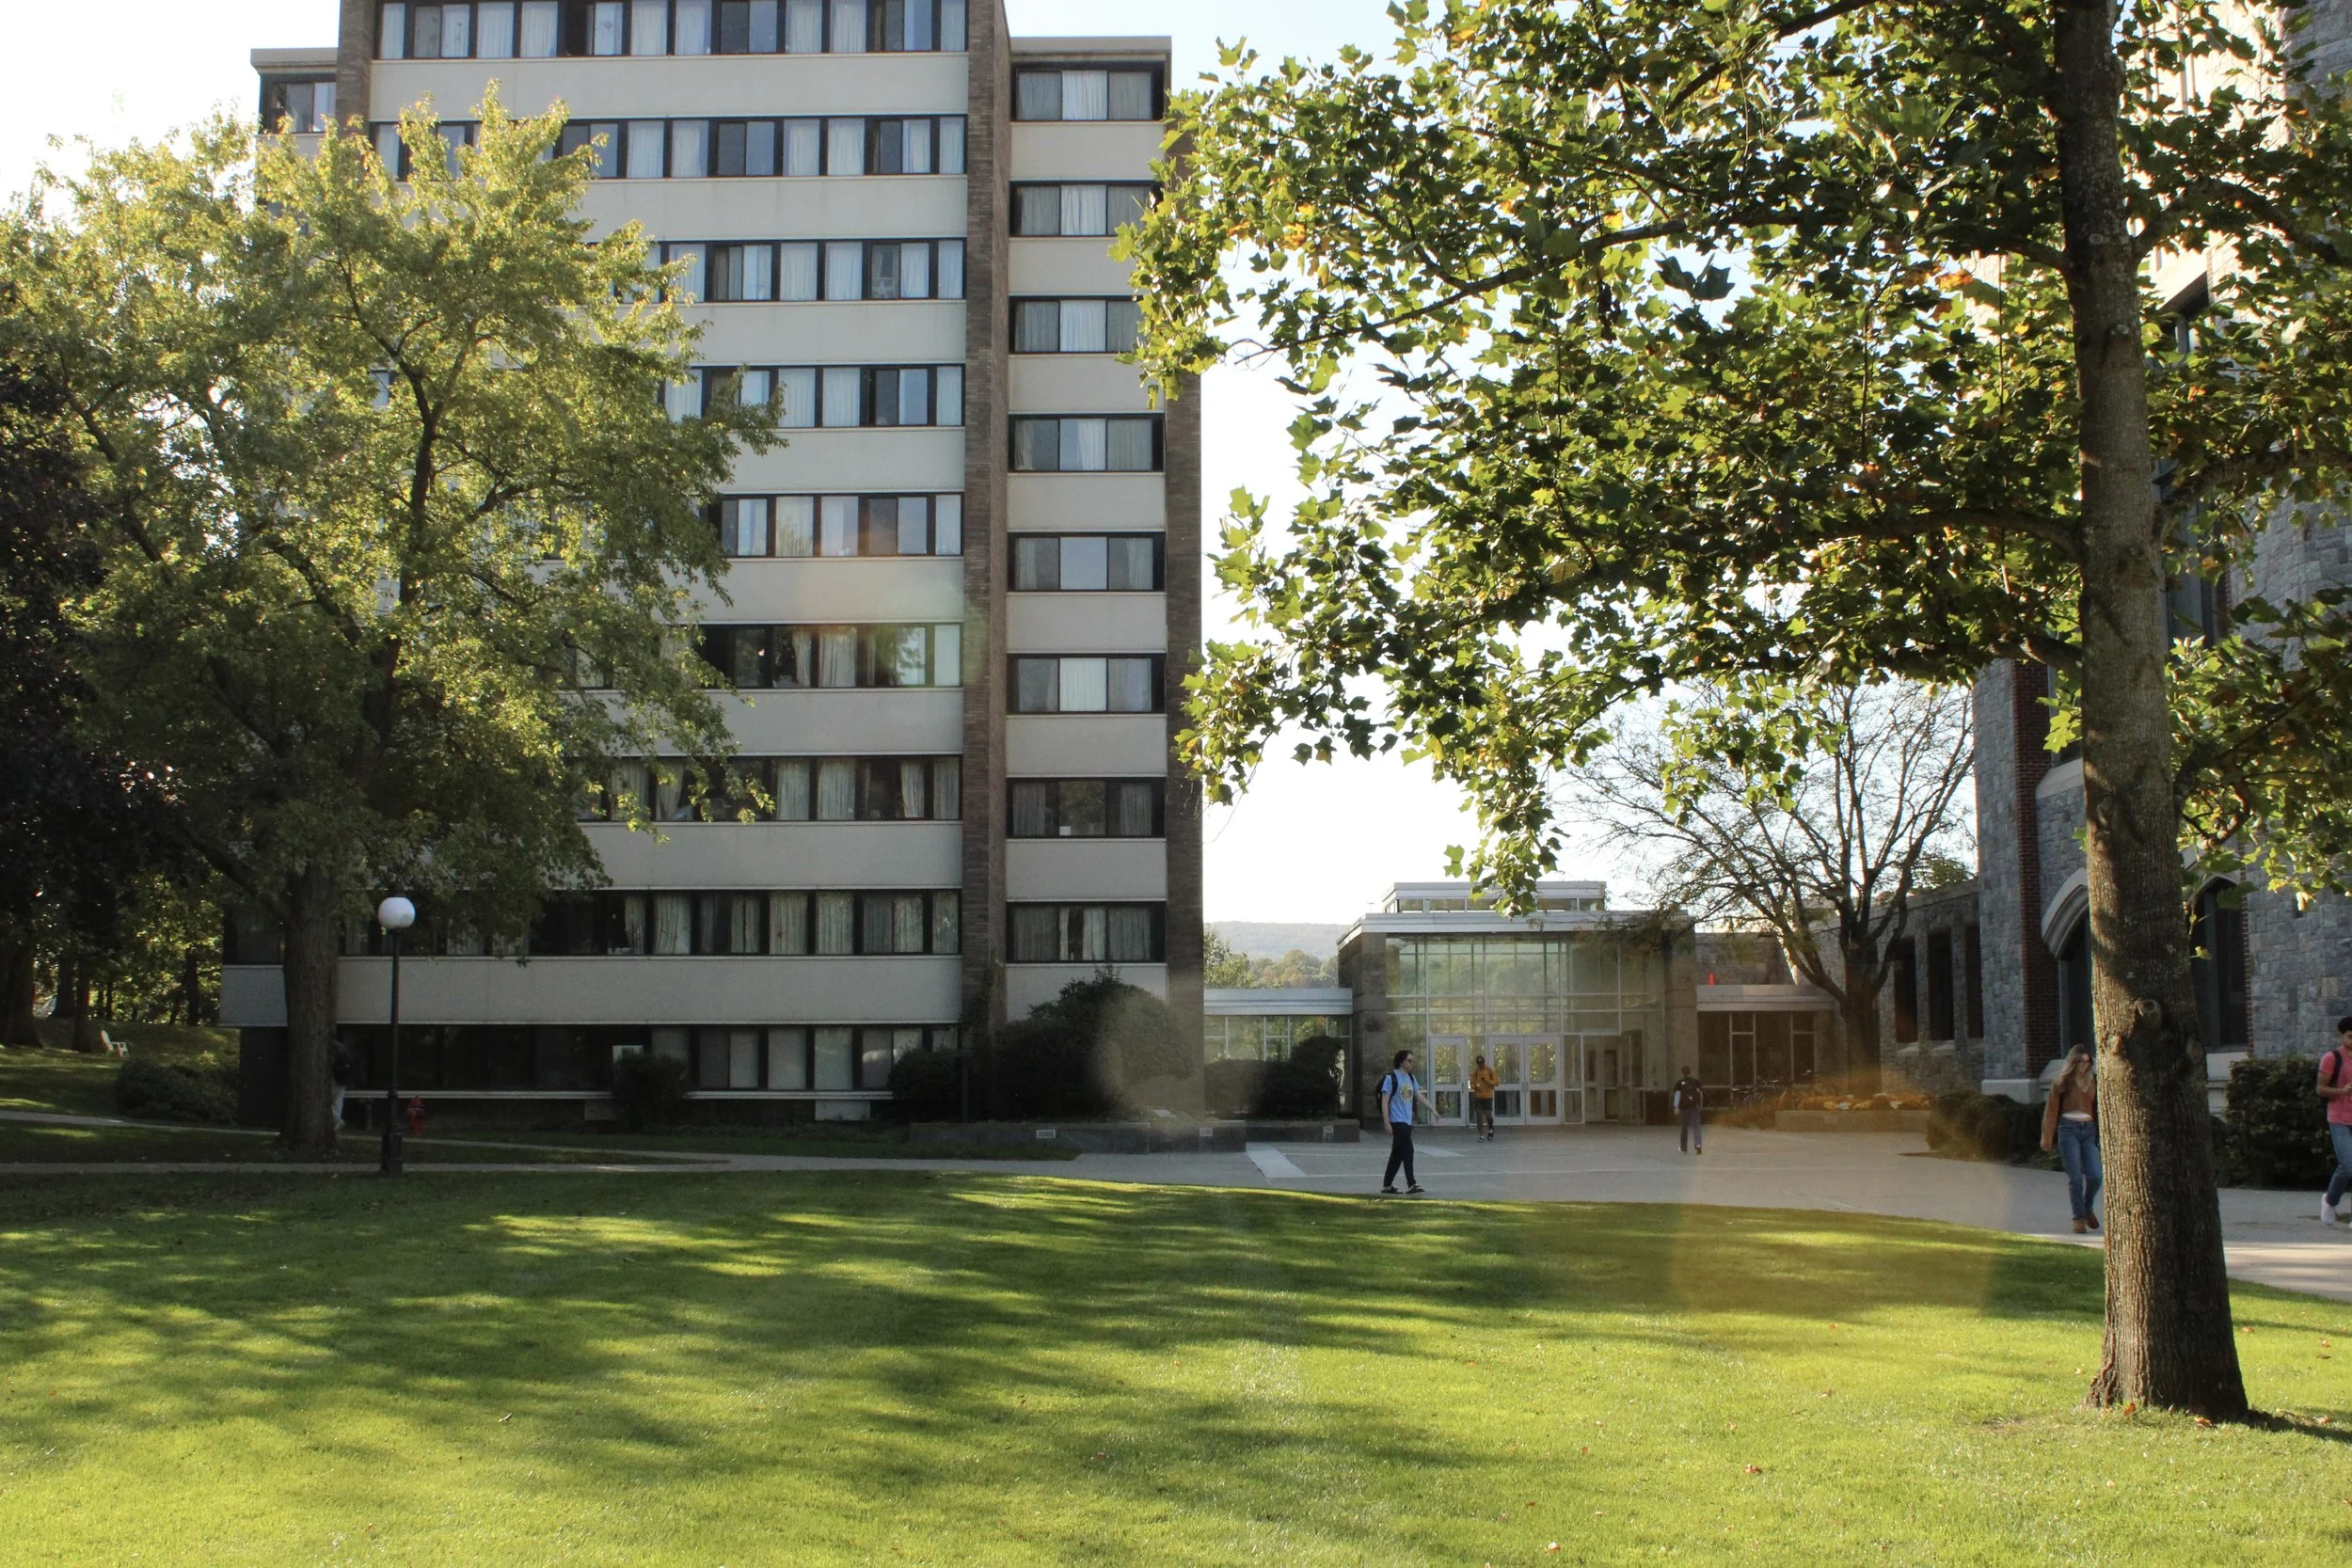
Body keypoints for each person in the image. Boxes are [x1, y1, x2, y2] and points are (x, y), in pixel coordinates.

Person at [2040, 1046, 2102, 1235]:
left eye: (2087, 1062)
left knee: (2095, 1175)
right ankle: (2078, 1218)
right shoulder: (2062, 1083)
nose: (2083, 1066)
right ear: (2072, 1062)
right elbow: (2051, 1112)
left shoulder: (2094, 1082)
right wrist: (2047, 1137)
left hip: (2088, 1130)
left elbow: (2099, 1111)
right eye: (2080, 1062)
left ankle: (2087, 1206)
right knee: (2075, 1177)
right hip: (2069, 1130)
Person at [1378, 1049, 1432, 1195]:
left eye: (1413, 1061)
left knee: (1397, 1154)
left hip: (1407, 1121)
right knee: (1408, 1150)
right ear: (1401, 1061)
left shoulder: (1410, 1078)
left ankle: (1387, 1185)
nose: (1412, 1063)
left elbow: (1417, 1096)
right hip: (1397, 1121)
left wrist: (1431, 1108)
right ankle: (1411, 1183)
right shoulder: (1391, 1078)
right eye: (1409, 1060)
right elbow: (1385, 1101)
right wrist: (1386, 1122)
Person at [2319, 1017, 2352, 1227]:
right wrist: (2341, 1091)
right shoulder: (2332, 1058)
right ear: (2341, 1036)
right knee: (2349, 1166)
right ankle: (2330, 1201)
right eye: (2350, 1036)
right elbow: (2320, 1089)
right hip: (2339, 1118)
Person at [1671, 1066, 1705, 1155]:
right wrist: (1700, 1106)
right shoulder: (1696, 1082)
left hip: (1684, 1107)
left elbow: (1677, 1095)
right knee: (1696, 1126)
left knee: (1684, 1128)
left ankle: (1683, 1147)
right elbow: (1700, 1095)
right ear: (1690, 1072)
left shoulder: (1679, 1083)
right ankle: (1698, 1145)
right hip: (1694, 1106)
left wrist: (1676, 1107)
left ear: (1682, 1073)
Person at [1470, 1053, 1499, 1141]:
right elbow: (1471, 1083)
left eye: (1482, 1063)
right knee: (1479, 1116)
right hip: (1478, 1097)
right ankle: (1481, 1135)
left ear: (1484, 1062)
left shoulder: (1489, 1070)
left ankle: (1490, 1128)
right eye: (1479, 1064)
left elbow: (1496, 1082)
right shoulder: (1476, 1072)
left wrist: (1488, 1081)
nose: (1481, 1065)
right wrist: (1475, 1086)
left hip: (1488, 1096)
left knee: (1488, 1115)